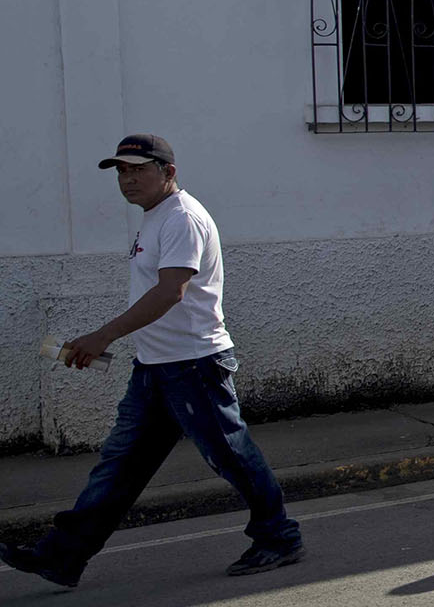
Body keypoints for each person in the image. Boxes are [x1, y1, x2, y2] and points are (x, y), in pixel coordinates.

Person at [0, 135, 303, 588]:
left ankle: (278, 536)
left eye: (138, 169)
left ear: (168, 172)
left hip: (195, 366)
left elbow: (170, 291)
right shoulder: (156, 217)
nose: (127, 179)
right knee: (118, 467)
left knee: (232, 458)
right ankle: (62, 556)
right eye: (121, 171)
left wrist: (104, 334)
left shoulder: (181, 217)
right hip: (156, 367)